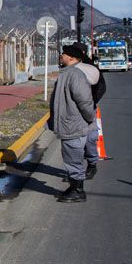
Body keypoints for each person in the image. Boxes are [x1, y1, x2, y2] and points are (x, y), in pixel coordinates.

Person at [49, 44, 96, 203]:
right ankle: (74, 187)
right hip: (70, 124)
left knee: (74, 158)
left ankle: (77, 191)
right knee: (70, 158)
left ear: (71, 57)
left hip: (73, 124)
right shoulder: (68, 73)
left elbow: (85, 101)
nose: (61, 56)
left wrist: (89, 118)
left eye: (63, 54)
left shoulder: (74, 74)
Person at [74, 43, 106, 179]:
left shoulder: (90, 67)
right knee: (73, 142)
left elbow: (101, 87)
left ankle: (92, 164)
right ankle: (75, 172)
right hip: (72, 110)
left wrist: (91, 102)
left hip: (87, 108)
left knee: (89, 139)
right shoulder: (69, 67)